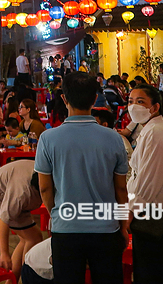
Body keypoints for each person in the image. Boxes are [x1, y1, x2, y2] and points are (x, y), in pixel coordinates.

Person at [34, 71, 129, 284]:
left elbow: (45, 189)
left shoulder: (48, 139)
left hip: (66, 228)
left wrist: (56, 214)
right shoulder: (113, 138)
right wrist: (123, 225)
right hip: (106, 229)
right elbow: (121, 190)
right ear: (95, 99)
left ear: (64, 98)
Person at [124, 83, 163, 284]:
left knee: (150, 267)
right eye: (130, 101)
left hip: (152, 209)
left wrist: (130, 212)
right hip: (152, 207)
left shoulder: (156, 133)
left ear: (155, 107)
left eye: (140, 102)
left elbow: (148, 182)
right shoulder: (149, 129)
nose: (133, 106)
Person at [0, 159, 44, 275]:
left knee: (28, 238)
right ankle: (27, 277)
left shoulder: (44, 174)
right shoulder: (21, 193)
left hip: (9, 185)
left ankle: (13, 279)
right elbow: (4, 219)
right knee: (33, 238)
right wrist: (4, 253)